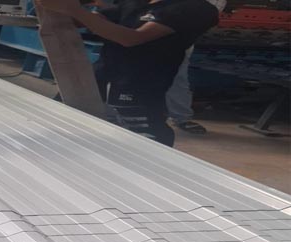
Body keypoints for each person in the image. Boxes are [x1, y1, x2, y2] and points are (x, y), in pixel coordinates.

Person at [38, 0, 219, 147]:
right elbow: (93, 21)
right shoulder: (136, 3)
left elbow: (131, 38)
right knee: (61, 123)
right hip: (99, 78)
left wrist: (75, 10)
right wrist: (58, 7)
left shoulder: (195, 8)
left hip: (139, 87)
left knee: (144, 142)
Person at [166, 0, 226, 134]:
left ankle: (181, 117)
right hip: (143, 30)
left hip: (177, 39)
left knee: (177, 79)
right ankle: (120, 116)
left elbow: (207, 13)